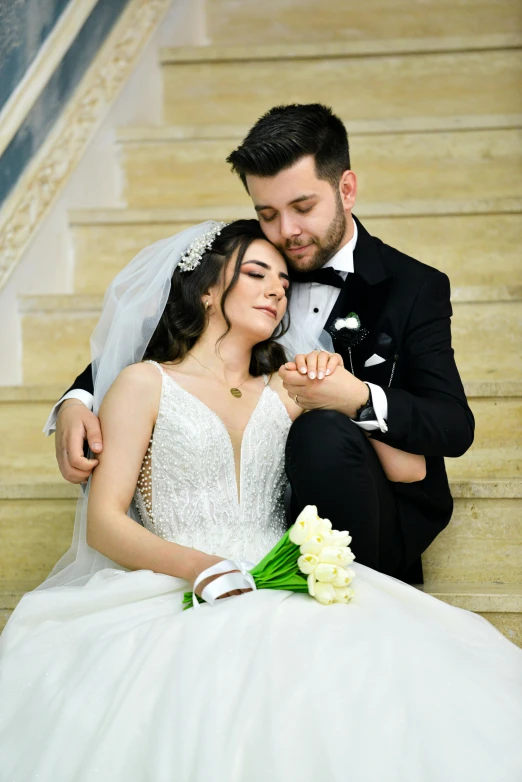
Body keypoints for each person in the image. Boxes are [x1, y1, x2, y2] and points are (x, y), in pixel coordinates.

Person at [1, 220, 520, 782]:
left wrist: (343, 390)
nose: (277, 288)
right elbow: (104, 523)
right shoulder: (144, 383)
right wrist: (204, 569)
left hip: (280, 578)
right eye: (255, 274)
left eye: (282, 280)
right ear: (205, 289)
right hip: (177, 579)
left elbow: (410, 466)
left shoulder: (285, 386)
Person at [46, 104, 474, 584]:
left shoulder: (413, 287)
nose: (286, 232)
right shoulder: (253, 261)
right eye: (266, 213)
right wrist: (77, 398)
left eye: (303, 208)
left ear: (346, 189)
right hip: (253, 545)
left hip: (372, 511)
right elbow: (157, 336)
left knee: (323, 433)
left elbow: (452, 427)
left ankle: (351, 599)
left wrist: (355, 398)